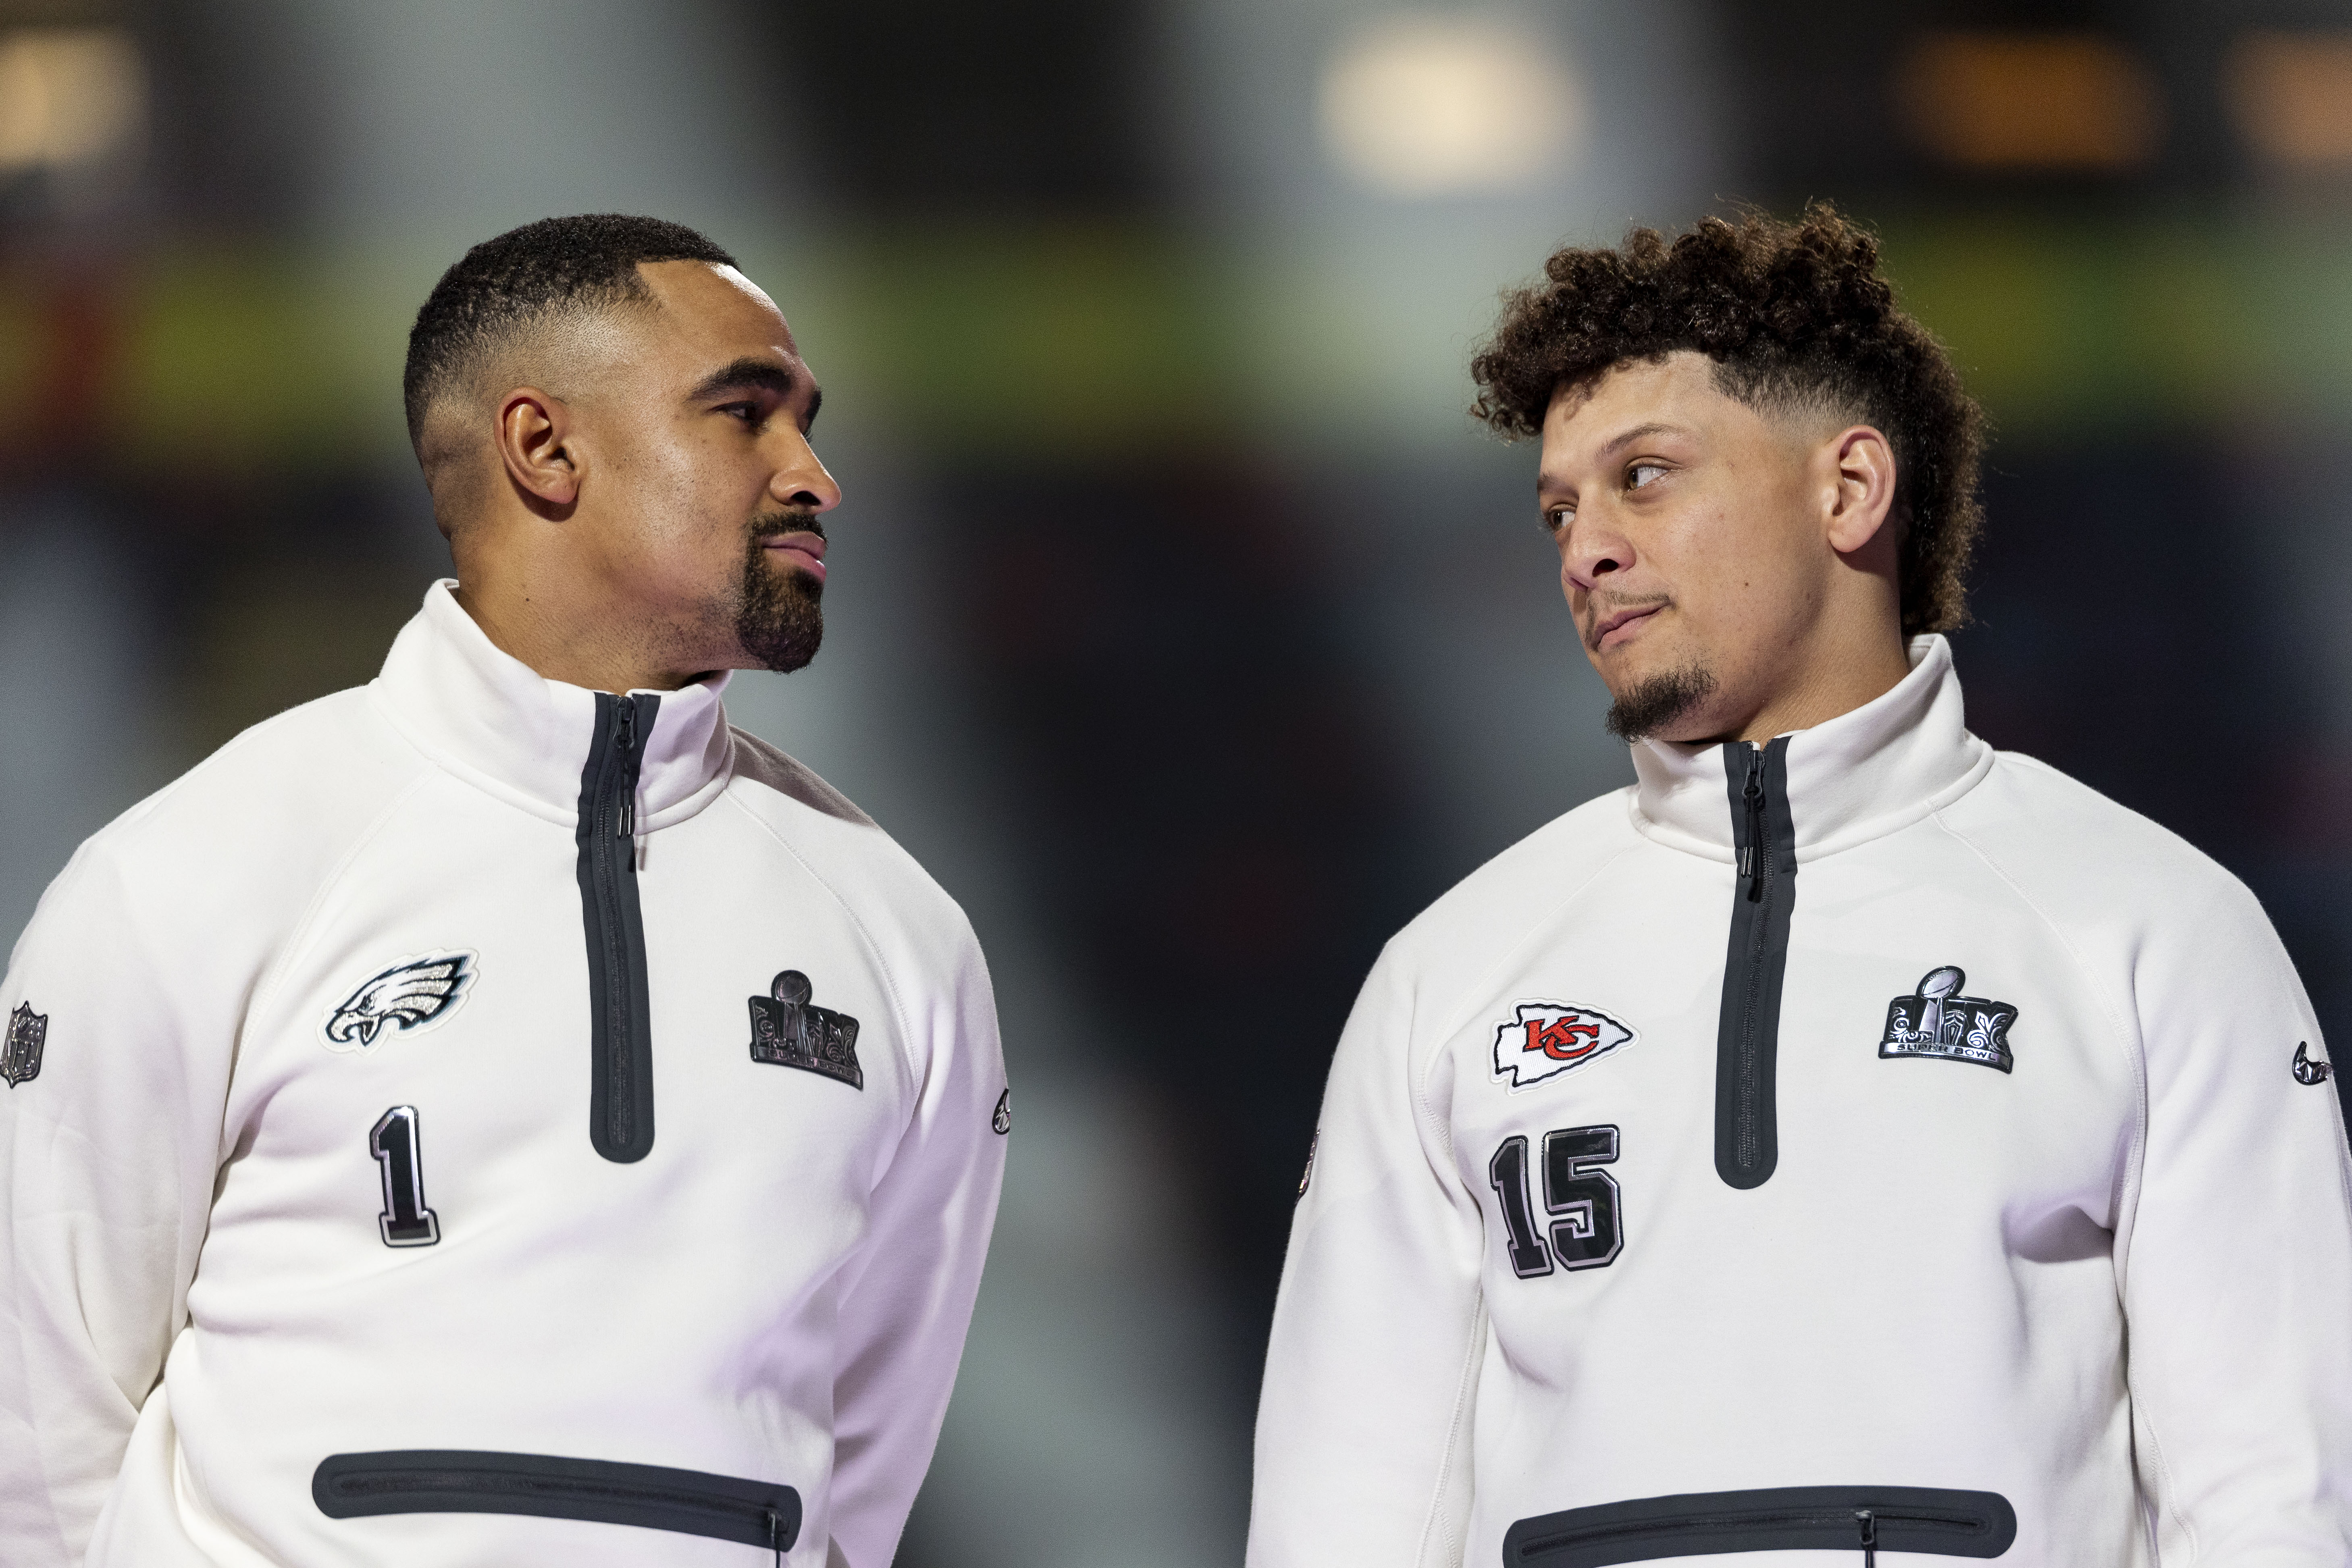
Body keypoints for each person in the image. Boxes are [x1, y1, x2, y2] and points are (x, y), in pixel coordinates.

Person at [1246, 206, 2352, 1565]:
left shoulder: (2150, 928)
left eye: (1642, 476)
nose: (1583, 547)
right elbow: (1343, 1498)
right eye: (1558, 507)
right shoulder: (1449, 971)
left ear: (1847, 490)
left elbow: (2276, 1491)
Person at [0, 214, 1008, 1568]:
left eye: (805, 423)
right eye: (745, 415)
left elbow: (857, 1482)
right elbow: (33, 1438)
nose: (814, 476)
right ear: (544, 448)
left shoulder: (899, 936)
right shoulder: (195, 872)